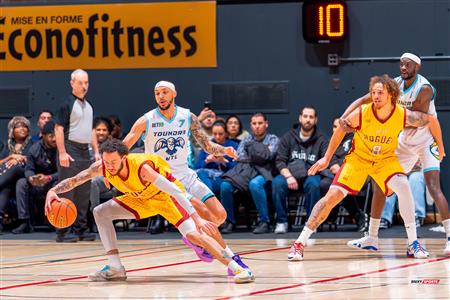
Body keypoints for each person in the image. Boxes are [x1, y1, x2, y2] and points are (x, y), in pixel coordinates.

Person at [44, 139, 254, 283]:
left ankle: (237, 268)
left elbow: (175, 191)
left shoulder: (143, 169)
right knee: (100, 212)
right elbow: (75, 180)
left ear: (124, 158)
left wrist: (197, 218)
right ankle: (115, 267)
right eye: (107, 162)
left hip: (166, 198)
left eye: (114, 162)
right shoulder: (103, 167)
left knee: (195, 235)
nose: (110, 166)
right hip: (140, 200)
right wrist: (53, 191)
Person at [287, 74, 444, 261]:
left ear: (391, 96)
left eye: (380, 93)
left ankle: (413, 244)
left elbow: (430, 119)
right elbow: (339, 131)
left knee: (404, 187)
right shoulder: (362, 112)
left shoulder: (402, 114)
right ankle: (299, 243)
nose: (376, 96)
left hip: (384, 160)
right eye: (373, 92)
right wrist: (327, 158)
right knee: (332, 197)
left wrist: (439, 146)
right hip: (358, 160)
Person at [122, 81, 248, 271]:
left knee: (220, 216)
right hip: (164, 181)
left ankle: (194, 237)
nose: (161, 96)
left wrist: (225, 150)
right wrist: (110, 168)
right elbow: (123, 147)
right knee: (204, 214)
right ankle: (231, 259)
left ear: (174, 94)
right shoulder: (146, 120)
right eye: (157, 93)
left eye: (165, 92)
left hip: (187, 174)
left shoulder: (188, 117)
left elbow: (207, 146)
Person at [343, 53, 450, 256]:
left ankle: (449, 238)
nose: (403, 67)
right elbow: (364, 99)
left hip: (426, 140)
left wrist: (441, 146)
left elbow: (421, 120)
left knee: (434, 187)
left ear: (416, 67)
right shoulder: (394, 85)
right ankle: (372, 237)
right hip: (404, 143)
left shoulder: (424, 88)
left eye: (407, 64)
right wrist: (344, 117)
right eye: (401, 63)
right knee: (380, 185)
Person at [54, 69, 99, 243]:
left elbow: (91, 131)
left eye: (86, 82)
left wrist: (96, 152)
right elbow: (58, 129)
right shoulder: (66, 104)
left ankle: (81, 229)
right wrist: (63, 152)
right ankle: (62, 231)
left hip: (84, 152)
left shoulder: (89, 106)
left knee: (83, 193)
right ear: (72, 83)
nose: (84, 86)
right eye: (80, 82)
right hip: (70, 150)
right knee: (68, 191)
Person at [272, 106, 329, 234]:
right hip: (290, 175)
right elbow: (280, 160)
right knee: (277, 183)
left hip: (311, 174)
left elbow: (325, 160)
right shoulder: (288, 137)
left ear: (316, 120)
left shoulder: (322, 139)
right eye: (305, 116)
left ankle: (311, 223)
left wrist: (312, 170)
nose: (308, 120)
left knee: (314, 184)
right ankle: (282, 221)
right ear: (300, 118)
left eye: (311, 117)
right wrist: (288, 176)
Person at [220, 112, 279, 234]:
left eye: (260, 123)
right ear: (251, 125)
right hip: (245, 171)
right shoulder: (246, 139)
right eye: (254, 123)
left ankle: (264, 221)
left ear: (266, 124)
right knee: (225, 185)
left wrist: (253, 152)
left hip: (264, 172)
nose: (257, 126)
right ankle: (230, 221)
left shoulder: (273, 139)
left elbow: (268, 156)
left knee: (255, 184)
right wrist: (260, 152)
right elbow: (240, 156)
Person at [320, 117, 369, 232]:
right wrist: (333, 165)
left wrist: (341, 167)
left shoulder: (355, 139)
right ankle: (330, 215)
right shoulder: (330, 142)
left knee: (344, 186)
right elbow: (327, 158)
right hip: (332, 175)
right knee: (323, 184)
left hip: (352, 173)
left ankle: (358, 216)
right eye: (334, 126)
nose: (336, 129)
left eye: (339, 126)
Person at [13, 121, 58, 234]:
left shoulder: (61, 149)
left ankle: (58, 221)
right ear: (43, 136)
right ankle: (25, 222)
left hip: (53, 181)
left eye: (56, 136)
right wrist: (31, 178)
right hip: (37, 183)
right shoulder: (34, 149)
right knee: (22, 183)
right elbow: (28, 169)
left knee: (60, 183)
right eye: (51, 136)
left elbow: (64, 172)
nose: (54, 139)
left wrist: (48, 178)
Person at [0, 116, 34, 233]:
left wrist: (20, 158)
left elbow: (33, 159)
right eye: (18, 126)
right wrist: (11, 157)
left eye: (25, 126)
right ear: (12, 130)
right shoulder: (6, 145)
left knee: (15, 167)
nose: (22, 129)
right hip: (9, 179)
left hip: (26, 173)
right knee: (6, 188)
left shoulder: (32, 143)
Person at [195, 120, 239, 196]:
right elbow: (196, 166)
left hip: (224, 177)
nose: (217, 137)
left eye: (220, 134)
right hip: (208, 177)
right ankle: (210, 201)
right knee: (200, 174)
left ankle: (209, 202)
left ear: (226, 133)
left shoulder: (233, 146)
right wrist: (206, 161)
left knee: (205, 185)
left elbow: (237, 168)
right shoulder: (208, 145)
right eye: (215, 134)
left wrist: (224, 162)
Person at [380, 160, 427, 229]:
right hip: (397, 172)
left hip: (415, 171)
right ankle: (385, 217)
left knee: (415, 178)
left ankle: (417, 216)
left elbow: (418, 165)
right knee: (390, 179)